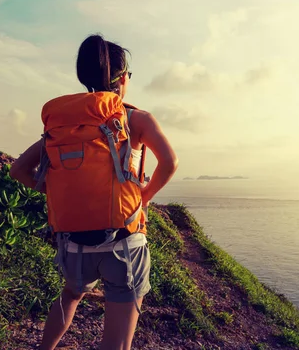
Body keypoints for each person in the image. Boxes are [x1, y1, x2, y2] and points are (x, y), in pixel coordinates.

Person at [10, 34, 178, 350]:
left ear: (86, 77)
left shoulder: (62, 125)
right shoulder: (136, 119)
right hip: (123, 243)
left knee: (71, 295)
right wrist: (143, 197)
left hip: (72, 244)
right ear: (123, 79)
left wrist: (53, 191)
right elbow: (170, 162)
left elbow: (18, 170)